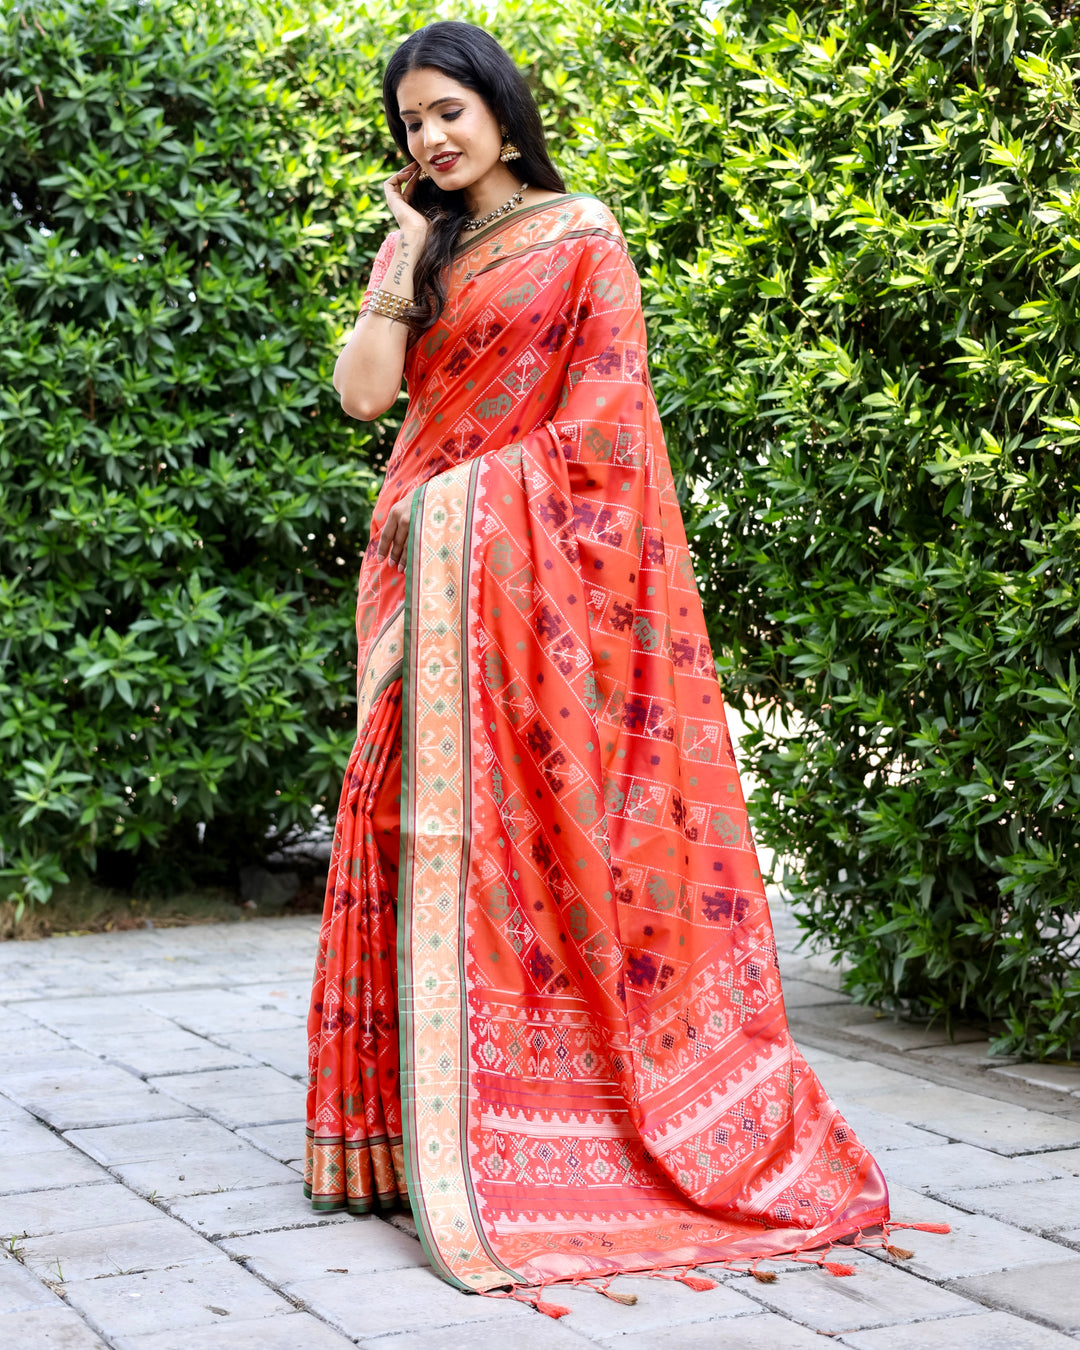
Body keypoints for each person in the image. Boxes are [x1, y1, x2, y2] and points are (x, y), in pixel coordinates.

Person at [306, 18, 891, 1305]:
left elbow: (608, 437)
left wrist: (474, 510)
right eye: (411, 122)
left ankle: (540, 1113)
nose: (431, 137)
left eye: (449, 110)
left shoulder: (583, 239)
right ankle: (403, 1130)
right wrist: (402, 253)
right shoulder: (421, 250)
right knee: (406, 819)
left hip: (510, 569)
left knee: (525, 834)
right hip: (419, 567)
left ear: (503, 112)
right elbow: (363, 398)